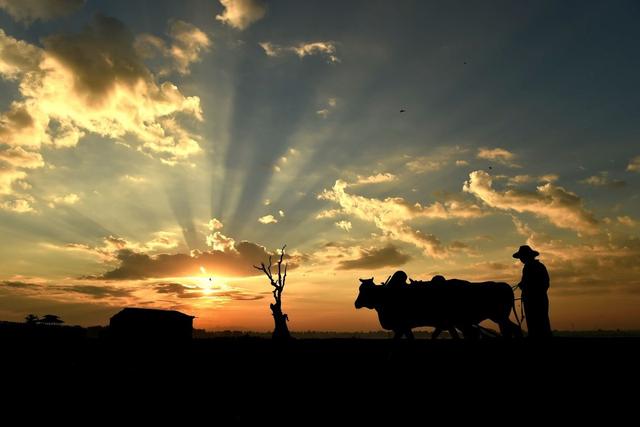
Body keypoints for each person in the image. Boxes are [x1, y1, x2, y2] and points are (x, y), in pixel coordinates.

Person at [513, 245, 552, 339]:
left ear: (526, 256)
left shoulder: (528, 267)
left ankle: (534, 337)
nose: (521, 259)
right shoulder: (540, 266)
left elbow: (528, 283)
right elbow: (546, 283)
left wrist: (524, 286)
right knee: (542, 319)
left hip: (531, 299)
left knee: (533, 319)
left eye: (522, 257)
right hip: (541, 298)